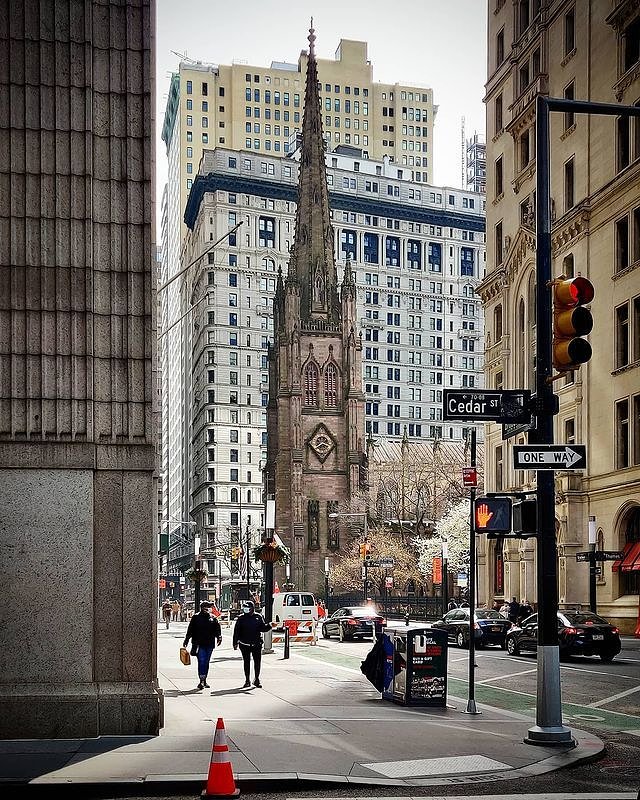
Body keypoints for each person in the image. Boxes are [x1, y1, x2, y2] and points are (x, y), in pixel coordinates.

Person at [183, 601, 223, 690]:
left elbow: (217, 629)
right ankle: (201, 680)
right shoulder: (196, 617)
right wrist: (186, 640)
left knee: (206, 662)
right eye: (205, 607)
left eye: (208, 607)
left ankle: (204, 679)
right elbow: (190, 630)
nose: (207, 609)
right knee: (201, 661)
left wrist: (219, 637)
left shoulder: (213, 618)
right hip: (199, 644)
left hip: (210, 644)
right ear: (201, 608)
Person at [232, 600, 272, 688]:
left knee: (257, 662)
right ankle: (247, 680)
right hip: (244, 644)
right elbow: (236, 631)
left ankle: (257, 679)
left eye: (248, 608)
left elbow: (263, 628)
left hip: (256, 644)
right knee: (246, 662)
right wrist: (235, 642)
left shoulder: (258, 617)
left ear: (252, 609)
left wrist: (269, 625)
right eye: (245, 608)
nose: (246, 609)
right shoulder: (241, 618)